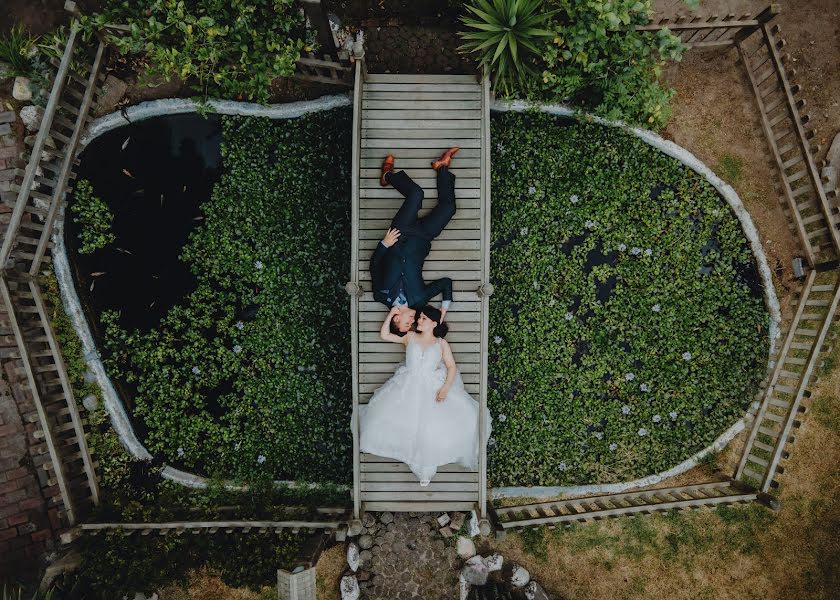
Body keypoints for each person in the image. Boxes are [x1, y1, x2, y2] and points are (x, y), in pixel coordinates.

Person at [357, 305, 492, 486]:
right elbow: (385, 335)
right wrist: (391, 314)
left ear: (434, 323)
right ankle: (414, 460)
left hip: (432, 386)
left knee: (431, 427)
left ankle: (426, 468)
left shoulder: (441, 343)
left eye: (423, 319)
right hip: (407, 384)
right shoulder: (409, 337)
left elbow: (451, 367)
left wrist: (445, 388)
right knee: (405, 423)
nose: (418, 321)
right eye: (419, 318)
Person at [369, 147, 461, 336]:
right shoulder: (420, 300)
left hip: (399, 233)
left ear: (396, 318)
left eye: (406, 323)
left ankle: (387, 176)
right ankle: (442, 167)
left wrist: (385, 243)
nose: (412, 321)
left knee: (416, 194)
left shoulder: (380, 295)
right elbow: (445, 283)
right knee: (449, 208)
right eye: (411, 324)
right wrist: (444, 309)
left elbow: (375, 264)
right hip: (423, 237)